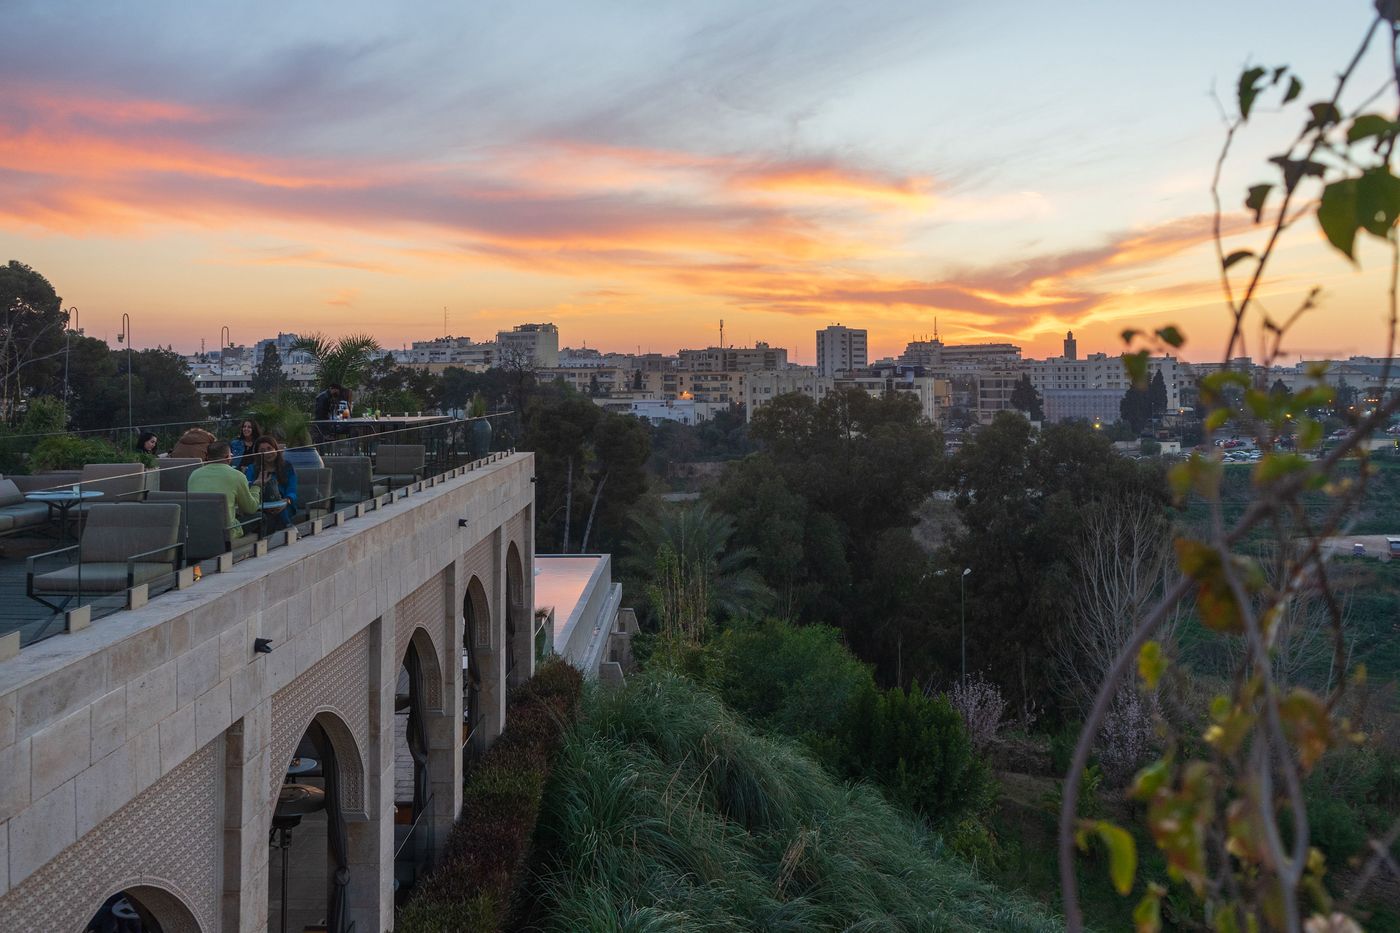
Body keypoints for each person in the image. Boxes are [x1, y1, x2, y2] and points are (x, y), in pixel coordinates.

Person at [187, 441, 260, 538]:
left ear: (208, 457)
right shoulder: (237, 476)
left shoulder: (194, 475)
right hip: (225, 532)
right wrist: (256, 487)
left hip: (197, 530)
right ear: (228, 457)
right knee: (261, 517)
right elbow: (251, 508)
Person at [243, 435, 298, 530]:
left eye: (269, 448)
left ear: (275, 449)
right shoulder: (252, 468)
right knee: (267, 517)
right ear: (258, 454)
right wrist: (258, 482)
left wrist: (286, 501)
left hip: (284, 504)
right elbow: (247, 488)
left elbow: (292, 489)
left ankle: (288, 531)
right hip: (261, 505)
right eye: (263, 451)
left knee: (281, 512)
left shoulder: (287, 466)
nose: (267, 453)